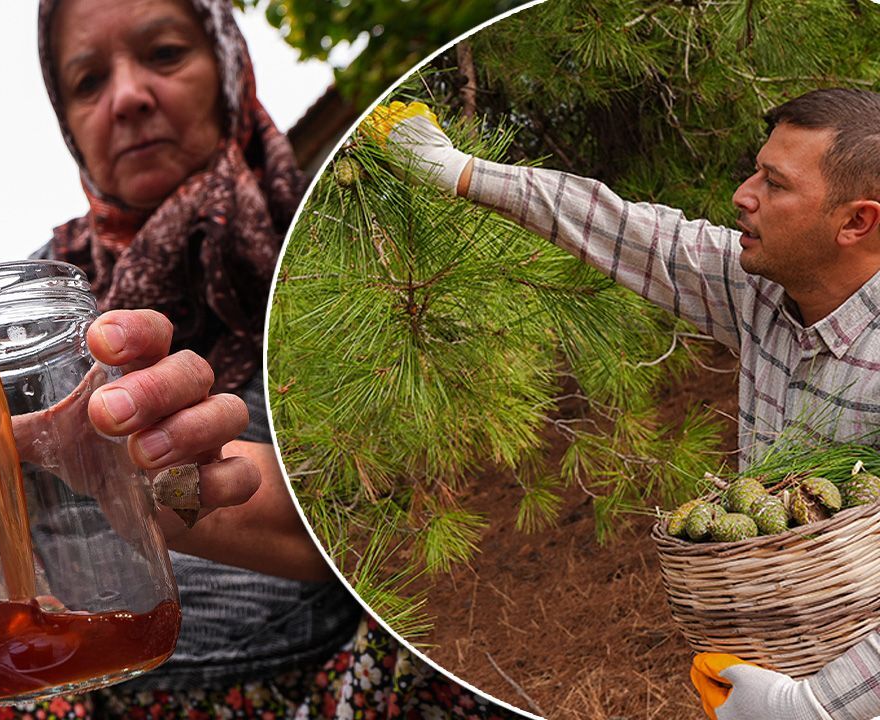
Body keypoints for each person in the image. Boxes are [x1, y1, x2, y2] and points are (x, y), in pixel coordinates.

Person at [0, 1, 521, 718]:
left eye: (165, 54)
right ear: (67, 121)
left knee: (475, 587)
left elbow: (402, 516)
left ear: (229, 67)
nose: (129, 98)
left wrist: (151, 480)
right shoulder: (38, 297)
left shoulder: (352, 259)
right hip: (71, 691)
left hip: (324, 686)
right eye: (88, 82)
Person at [367, 88, 880, 720]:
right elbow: (623, 226)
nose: (743, 194)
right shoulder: (760, 290)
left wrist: (819, 707)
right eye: (756, 169)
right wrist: (456, 171)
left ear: (856, 221)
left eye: (774, 184)